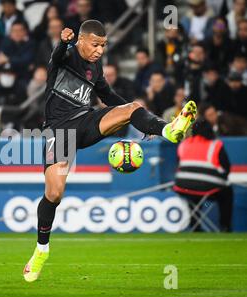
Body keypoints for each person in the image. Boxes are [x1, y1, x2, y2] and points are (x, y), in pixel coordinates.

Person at [22, 20, 197, 283]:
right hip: (58, 131)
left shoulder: (96, 67)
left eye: (103, 45)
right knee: (54, 193)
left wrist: (141, 120)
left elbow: (110, 97)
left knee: (131, 107)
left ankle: (168, 130)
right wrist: (63, 41)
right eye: (95, 45)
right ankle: (41, 250)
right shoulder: (66, 56)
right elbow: (57, 55)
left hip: (85, 121)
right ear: (81, 40)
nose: (99, 50)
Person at [173, 118, 233, 232]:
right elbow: (226, 168)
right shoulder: (216, 144)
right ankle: (225, 226)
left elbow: (179, 164)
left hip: (183, 187)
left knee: (192, 191)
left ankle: (195, 225)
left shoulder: (184, 144)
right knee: (227, 192)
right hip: (208, 187)